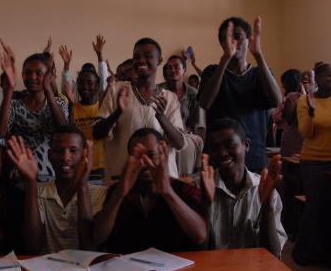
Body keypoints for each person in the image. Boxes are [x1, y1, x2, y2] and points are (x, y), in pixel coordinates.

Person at [202, 117, 322, 271]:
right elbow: (197, 253)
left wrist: (265, 205)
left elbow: (273, 257)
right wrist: (205, 204)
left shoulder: (264, 188)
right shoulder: (202, 188)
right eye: (215, 147)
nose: (223, 153)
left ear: (246, 145)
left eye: (230, 144)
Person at [94, 127, 207, 271]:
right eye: (137, 157)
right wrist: (120, 193)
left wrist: (167, 192)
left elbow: (200, 235)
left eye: (151, 155)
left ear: (163, 155)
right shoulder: (120, 192)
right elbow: (98, 236)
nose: (144, 163)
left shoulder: (183, 190)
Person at [93, 38, 185, 183]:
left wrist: (162, 118)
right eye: (136, 57)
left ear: (159, 60)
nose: (141, 60)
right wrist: (117, 112)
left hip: (161, 182)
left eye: (148, 56)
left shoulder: (170, 99)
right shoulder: (117, 90)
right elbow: (97, 133)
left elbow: (179, 143)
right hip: (122, 180)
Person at [198, 16, 282, 172]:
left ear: (248, 41)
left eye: (237, 37)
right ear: (222, 44)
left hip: (254, 158)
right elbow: (205, 103)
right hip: (219, 157)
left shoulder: (260, 73)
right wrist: (225, 60)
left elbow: (276, 101)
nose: (233, 43)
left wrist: (258, 55)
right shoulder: (212, 72)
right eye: (227, 39)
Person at [7, 125, 107, 255]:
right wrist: (31, 182)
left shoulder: (99, 193)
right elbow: (33, 247)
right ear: (49, 155)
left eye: (73, 150)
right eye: (59, 150)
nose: (66, 157)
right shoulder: (39, 192)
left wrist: (82, 185)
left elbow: (89, 246)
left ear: (84, 155)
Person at [292, 63, 331, 266]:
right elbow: (306, 133)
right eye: (330, 76)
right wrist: (311, 112)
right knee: (314, 208)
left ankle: (326, 253)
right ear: (317, 79)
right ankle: (303, 252)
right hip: (312, 161)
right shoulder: (304, 100)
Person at [0, 41, 69, 182]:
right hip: (19, 176)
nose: (32, 77)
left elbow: (64, 130)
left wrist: (48, 89)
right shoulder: (15, 105)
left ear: (48, 75)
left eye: (38, 73)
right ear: (22, 75)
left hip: (52, 176)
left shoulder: (58, 103)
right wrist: (9, 90)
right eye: (27, 73)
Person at [160, 55, 205, 176]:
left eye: (176, 67)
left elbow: (195, 124)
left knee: (190, 145)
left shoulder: (194, 94)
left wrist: (184, 127)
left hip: (185, 134)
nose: (173, 70)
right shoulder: (159, 91)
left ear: (184, 70)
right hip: (162, 134)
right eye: (169, 68)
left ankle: (189, 178)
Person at [277, 69, 304, 157]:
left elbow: (287, 118)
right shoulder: (289, 96)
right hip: (285, 131)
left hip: (293, 135)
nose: (283, 86)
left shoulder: (292, 97)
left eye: (285, 82)